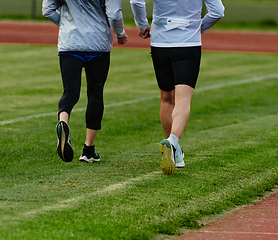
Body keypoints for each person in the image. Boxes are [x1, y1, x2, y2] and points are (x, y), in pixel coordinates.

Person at [130, 0, 224, 174]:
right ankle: (173, 141)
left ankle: (175, 152)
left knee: (166, 98)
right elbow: (218, 11)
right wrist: (200, 27)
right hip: (187, 43)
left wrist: (142, 25)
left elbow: (136, 1)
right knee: (183, 98)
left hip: (160, 43)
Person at [42, 0, 128, 163]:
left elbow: (47, 10)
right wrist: (120, 33)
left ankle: (63, 122)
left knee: (70, 91)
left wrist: (65, 24)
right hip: (98, 43)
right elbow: (114, 13)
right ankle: (89, 149)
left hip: (70, 42)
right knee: (95, 94)